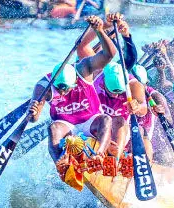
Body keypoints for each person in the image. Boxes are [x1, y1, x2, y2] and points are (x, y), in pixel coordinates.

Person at [26, 15, 117, 189]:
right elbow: (34, 119)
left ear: (75, 79)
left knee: (106, 119)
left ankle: (98, 155)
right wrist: (32, 111)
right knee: (52, 129)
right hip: (66, 124)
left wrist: (99, 31)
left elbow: (109, 54)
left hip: (91, 120)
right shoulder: (43, 86)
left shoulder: (84, 69)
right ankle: (61, 164)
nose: (63, 92)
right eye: (59, 88)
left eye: (66, 88)